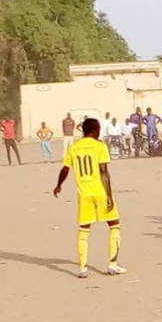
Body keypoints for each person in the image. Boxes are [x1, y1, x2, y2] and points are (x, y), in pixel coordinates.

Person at [52, 118, 125, 278]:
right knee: (114, 225)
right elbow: (104, 172)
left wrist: (58, 185)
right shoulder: (99, 146)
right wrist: (109, 195)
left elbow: (65, 169)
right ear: (95, 130)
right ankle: (113, 264)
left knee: (84, 230)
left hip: (84, 194)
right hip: (100, 191)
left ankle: (83, 268)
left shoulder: (74, 147)